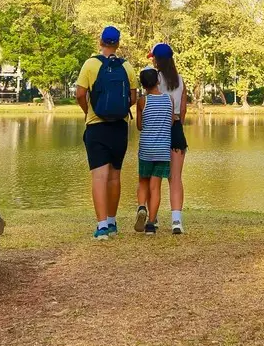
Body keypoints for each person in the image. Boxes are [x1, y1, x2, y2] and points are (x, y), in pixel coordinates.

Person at [74, 25, 134, 238]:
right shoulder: (127, 67)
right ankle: (112, 221)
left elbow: (80, 94)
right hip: (119, 126)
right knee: (115, 175)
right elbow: (133, 98)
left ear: (100, 42)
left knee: (99, 177)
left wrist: (87, 110)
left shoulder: (90, 64)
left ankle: (101, 227)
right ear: (117, 44)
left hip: (96, 126)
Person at [151, 41, 187, 233]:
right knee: (175, 178)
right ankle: (176, 221)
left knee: (154, 176)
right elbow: (183, 109)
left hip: (158, 130)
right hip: (175, 130)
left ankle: (153, 219)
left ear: (156, 60)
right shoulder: (180, 80)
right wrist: (178, 125)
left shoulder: (154, 78)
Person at [132, 67, 172, 233]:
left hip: (146, 149)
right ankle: (151, 224)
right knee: (155, 186)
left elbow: (140, 126)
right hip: (163, 150)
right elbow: (170, 124)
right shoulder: (169, 100)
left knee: (143, 182)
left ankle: (142, 207)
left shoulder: (143, 101)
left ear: (143, 84)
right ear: (158, 81)